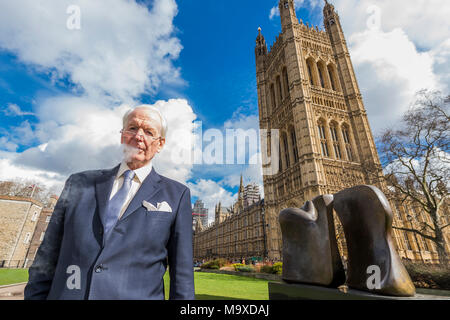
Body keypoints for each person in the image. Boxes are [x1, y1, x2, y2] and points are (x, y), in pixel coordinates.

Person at [24, 105, 195, 300]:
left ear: (160, 144)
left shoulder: (177, 194)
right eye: (132, 128)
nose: (139, 136)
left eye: (148, 132)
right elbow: (47, 255)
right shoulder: (78, 183)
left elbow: (182, 275)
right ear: (122, 135)